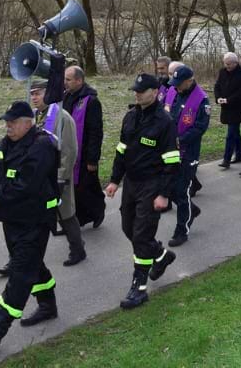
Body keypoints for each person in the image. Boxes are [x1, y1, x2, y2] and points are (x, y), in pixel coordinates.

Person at [0, 102, 60, 350]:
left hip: (35, 218)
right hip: (11, 219)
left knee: (21, 272)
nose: (7, 126)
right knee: (33, 265)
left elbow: (27, 184)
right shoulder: (5, 143)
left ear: (27, 122)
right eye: (6, 122)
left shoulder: (42, 145)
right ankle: (48, 306)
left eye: (12, 122)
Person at [104, 74, 179, 309]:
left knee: (140, 235)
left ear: (155, 92)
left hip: (153, 184)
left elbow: (172, 160)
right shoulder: (130, 117)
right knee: (129, 228)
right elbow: (121, 150)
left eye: (142, 90)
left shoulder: (164, 121)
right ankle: (161, 255)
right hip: (131, 183)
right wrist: (115, 180)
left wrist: (164, 194)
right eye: (135, 90)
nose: (137, 93)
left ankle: (139, 287)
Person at [31, 80, 85, 267]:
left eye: (37, 93)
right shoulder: (34, 116)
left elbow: (69, 150)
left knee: (66, 215)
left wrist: (61, 177)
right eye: (32, 94)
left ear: (49, 93)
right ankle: (21, 258)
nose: (34, 97)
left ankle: (78, 249)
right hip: (37, 176)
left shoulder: (63, 117)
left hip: (57, 176)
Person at [165, 66, 208, 246]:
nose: (176, 87)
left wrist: (180, 140)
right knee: (167, 188)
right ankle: (192, 209)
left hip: (187, 152)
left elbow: (199, 128)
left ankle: (182, 230)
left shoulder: (202, 100)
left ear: (189, 81)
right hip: (169, 150)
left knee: (182, 191)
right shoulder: (173, 92)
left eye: (180, 84)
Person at [62, 66, 105, 228]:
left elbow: (95, 132)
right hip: (70, 152)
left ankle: (98, 211)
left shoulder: (92, 101)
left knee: (88, 188)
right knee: (72, 188)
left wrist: (92, 159)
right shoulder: (66, 97)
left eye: (68, 79)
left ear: (79, 80)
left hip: (85, 154)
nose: (64, 82)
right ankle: (77, 218)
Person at [214, 52, 241, 169]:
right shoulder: (222, 72)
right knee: (235, 131)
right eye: (225, 63)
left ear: (235, 63)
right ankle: (239, 155)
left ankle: (226, 159)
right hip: (226, 107)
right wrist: (218, 98)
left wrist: (228, 100)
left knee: (230, 134)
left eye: (229, 64)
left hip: (238, 107)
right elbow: (217, 86)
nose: (227, 66)